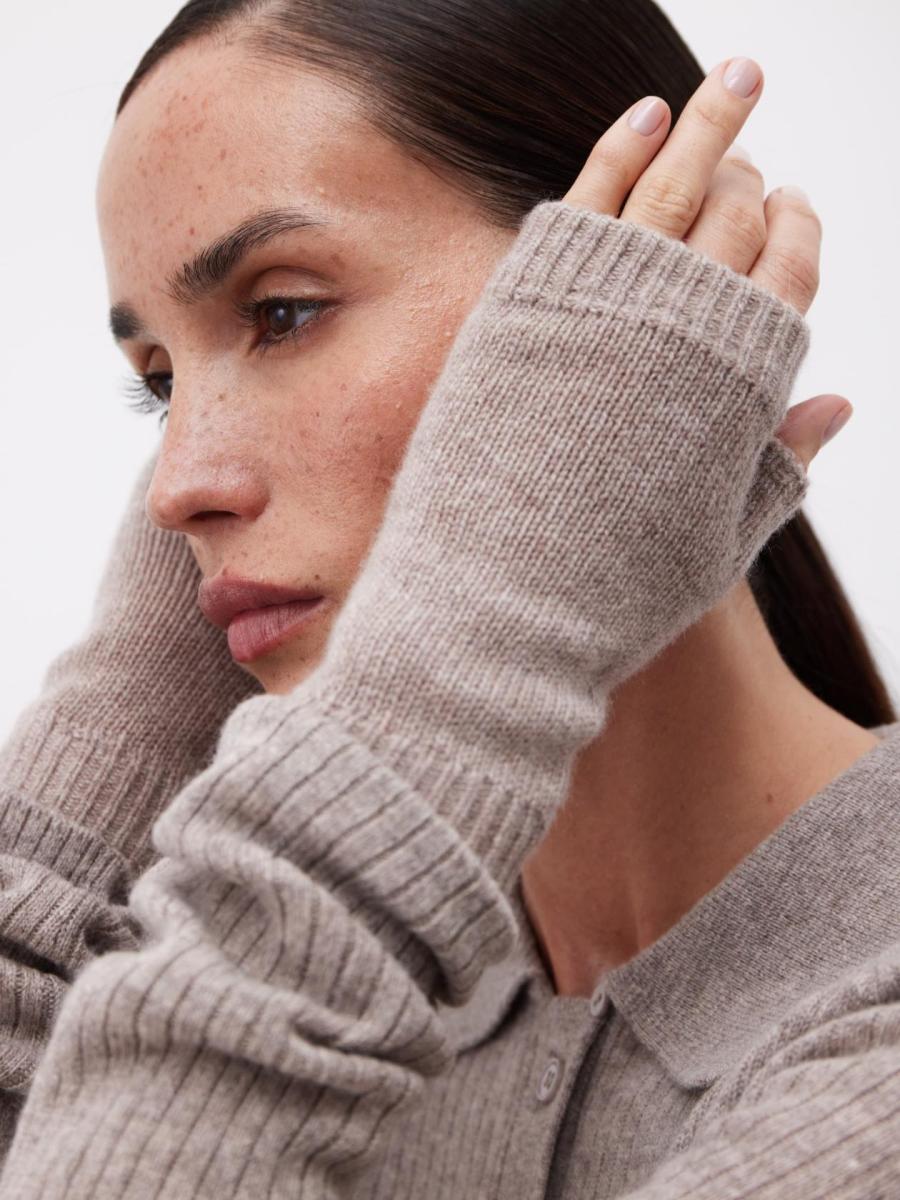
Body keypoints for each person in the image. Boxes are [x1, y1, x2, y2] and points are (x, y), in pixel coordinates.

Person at [0, 0, 897, 1196]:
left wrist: (476, 644)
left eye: (282, 312)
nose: (176, 491)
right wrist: (117, 729)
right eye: (161, 384)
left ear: (650, 304)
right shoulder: (322, 988)